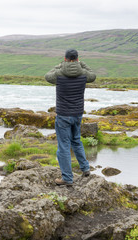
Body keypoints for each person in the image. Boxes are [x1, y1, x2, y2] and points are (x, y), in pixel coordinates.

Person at [45, 49, 96, 186]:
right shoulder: (84, 74)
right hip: (77, 114)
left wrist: (61, 65)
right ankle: (85, 169)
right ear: (78, 59)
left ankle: (67, 178)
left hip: (63, 115)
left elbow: (47, 76)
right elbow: (93, 75)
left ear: (65, 59)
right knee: (76, 141)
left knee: (63, 146)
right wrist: (81, 65)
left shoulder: (58, 74)